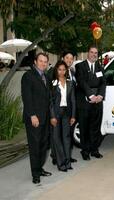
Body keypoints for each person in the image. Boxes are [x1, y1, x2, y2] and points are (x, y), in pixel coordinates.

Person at [21, 53, 52, 184]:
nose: (43, 64)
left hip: (45, 118)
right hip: (34, 118)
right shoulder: (28, 76)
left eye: (45, 62)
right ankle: (35, 174)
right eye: (41, 61)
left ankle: (39, 168)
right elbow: (27, 98)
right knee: (35, 146)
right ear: (35, 61)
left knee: (44, 145)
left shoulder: (46, 76)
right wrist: (32, 115)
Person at [75, 45, 106, 160]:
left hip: (97, 102)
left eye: (96, 53)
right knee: (84, 128)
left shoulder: (100, 67)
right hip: (85, 102)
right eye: (92, 52)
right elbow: (82, 82)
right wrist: (91, 95)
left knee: (95, 127)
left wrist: (100, 95)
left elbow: (103, 83)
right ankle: (85, 151)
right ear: (88, 53)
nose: (94, 54)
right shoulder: (80, 66)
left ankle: (94, 150)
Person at [50, 61, 76, 172]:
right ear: (56, 70)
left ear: (66, 70)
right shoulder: (53, 83)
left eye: (63, 69)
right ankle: (61, 164)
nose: (61, 72)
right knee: (57, 138)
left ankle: (67, 162)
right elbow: (50, 101)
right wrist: (52, 116)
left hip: (67, 112)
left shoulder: (70, 83)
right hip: (56, 113)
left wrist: (73, 116)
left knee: (66, 138)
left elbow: (73, 101)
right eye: (59, 69)